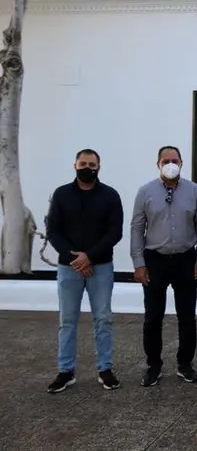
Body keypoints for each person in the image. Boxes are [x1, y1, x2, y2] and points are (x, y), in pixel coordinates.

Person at [45, 149, 124, 393]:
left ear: (99, 167)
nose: (87, 167)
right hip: (68, 267)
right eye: (83, 163)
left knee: (103, 319)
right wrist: (77, 259)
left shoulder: (110, 195)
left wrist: (89, 257)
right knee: (67, 321)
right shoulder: (61, 194)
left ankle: (105, 369)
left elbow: (115, 232)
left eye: (92, 164)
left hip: (101, 267)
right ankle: (66, 371)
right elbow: (53, 231)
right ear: (75, 165)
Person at [130, 145, 197, 387]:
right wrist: (138, 263)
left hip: (186, 259)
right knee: (153, 317)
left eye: (174, 160)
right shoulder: (145, 192)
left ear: (182, 163)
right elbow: (136, 227)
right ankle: (154, 366)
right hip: (155, 260)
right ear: (158, 164)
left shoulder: (194, 190)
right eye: (165, 160)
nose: (170, 164)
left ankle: (185, 364)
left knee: (187, 316)